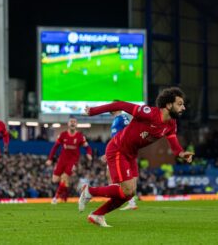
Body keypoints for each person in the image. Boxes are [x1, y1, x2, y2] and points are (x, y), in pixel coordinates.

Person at [78, 87, 194, 227]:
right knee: (126, 189)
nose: (184, 108)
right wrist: (92, 111)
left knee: (129, 194)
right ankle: (89, 191)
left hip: (131, 153)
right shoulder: (149, 113)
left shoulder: (171, 123)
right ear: (169, 105)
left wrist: (182, 154)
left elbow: (174, 145)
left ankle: (97, 215)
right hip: (118, 149)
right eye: (180, 104)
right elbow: (119, 105)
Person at [46, 117, 92, 204]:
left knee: (64, 177)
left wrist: (89, 153)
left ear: (76, 124)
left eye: (74, 122)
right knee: (55, 180)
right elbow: (55, 147)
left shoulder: (80, 136)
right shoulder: (63, 135)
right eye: (71, 121)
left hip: (73, 161)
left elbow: (87, 147)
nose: (72, 123)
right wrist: (50, 159)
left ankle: (55, 198)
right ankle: (65, 196)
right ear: (68, 124)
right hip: (62, 160)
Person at [110, 105, 138, 211]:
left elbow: (128, 129)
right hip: (121, 149)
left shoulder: (122, 117)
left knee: (119, 176)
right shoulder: (117, 119)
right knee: (116, 175)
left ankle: (123, 199)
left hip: (122, 151)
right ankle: (130, 201)